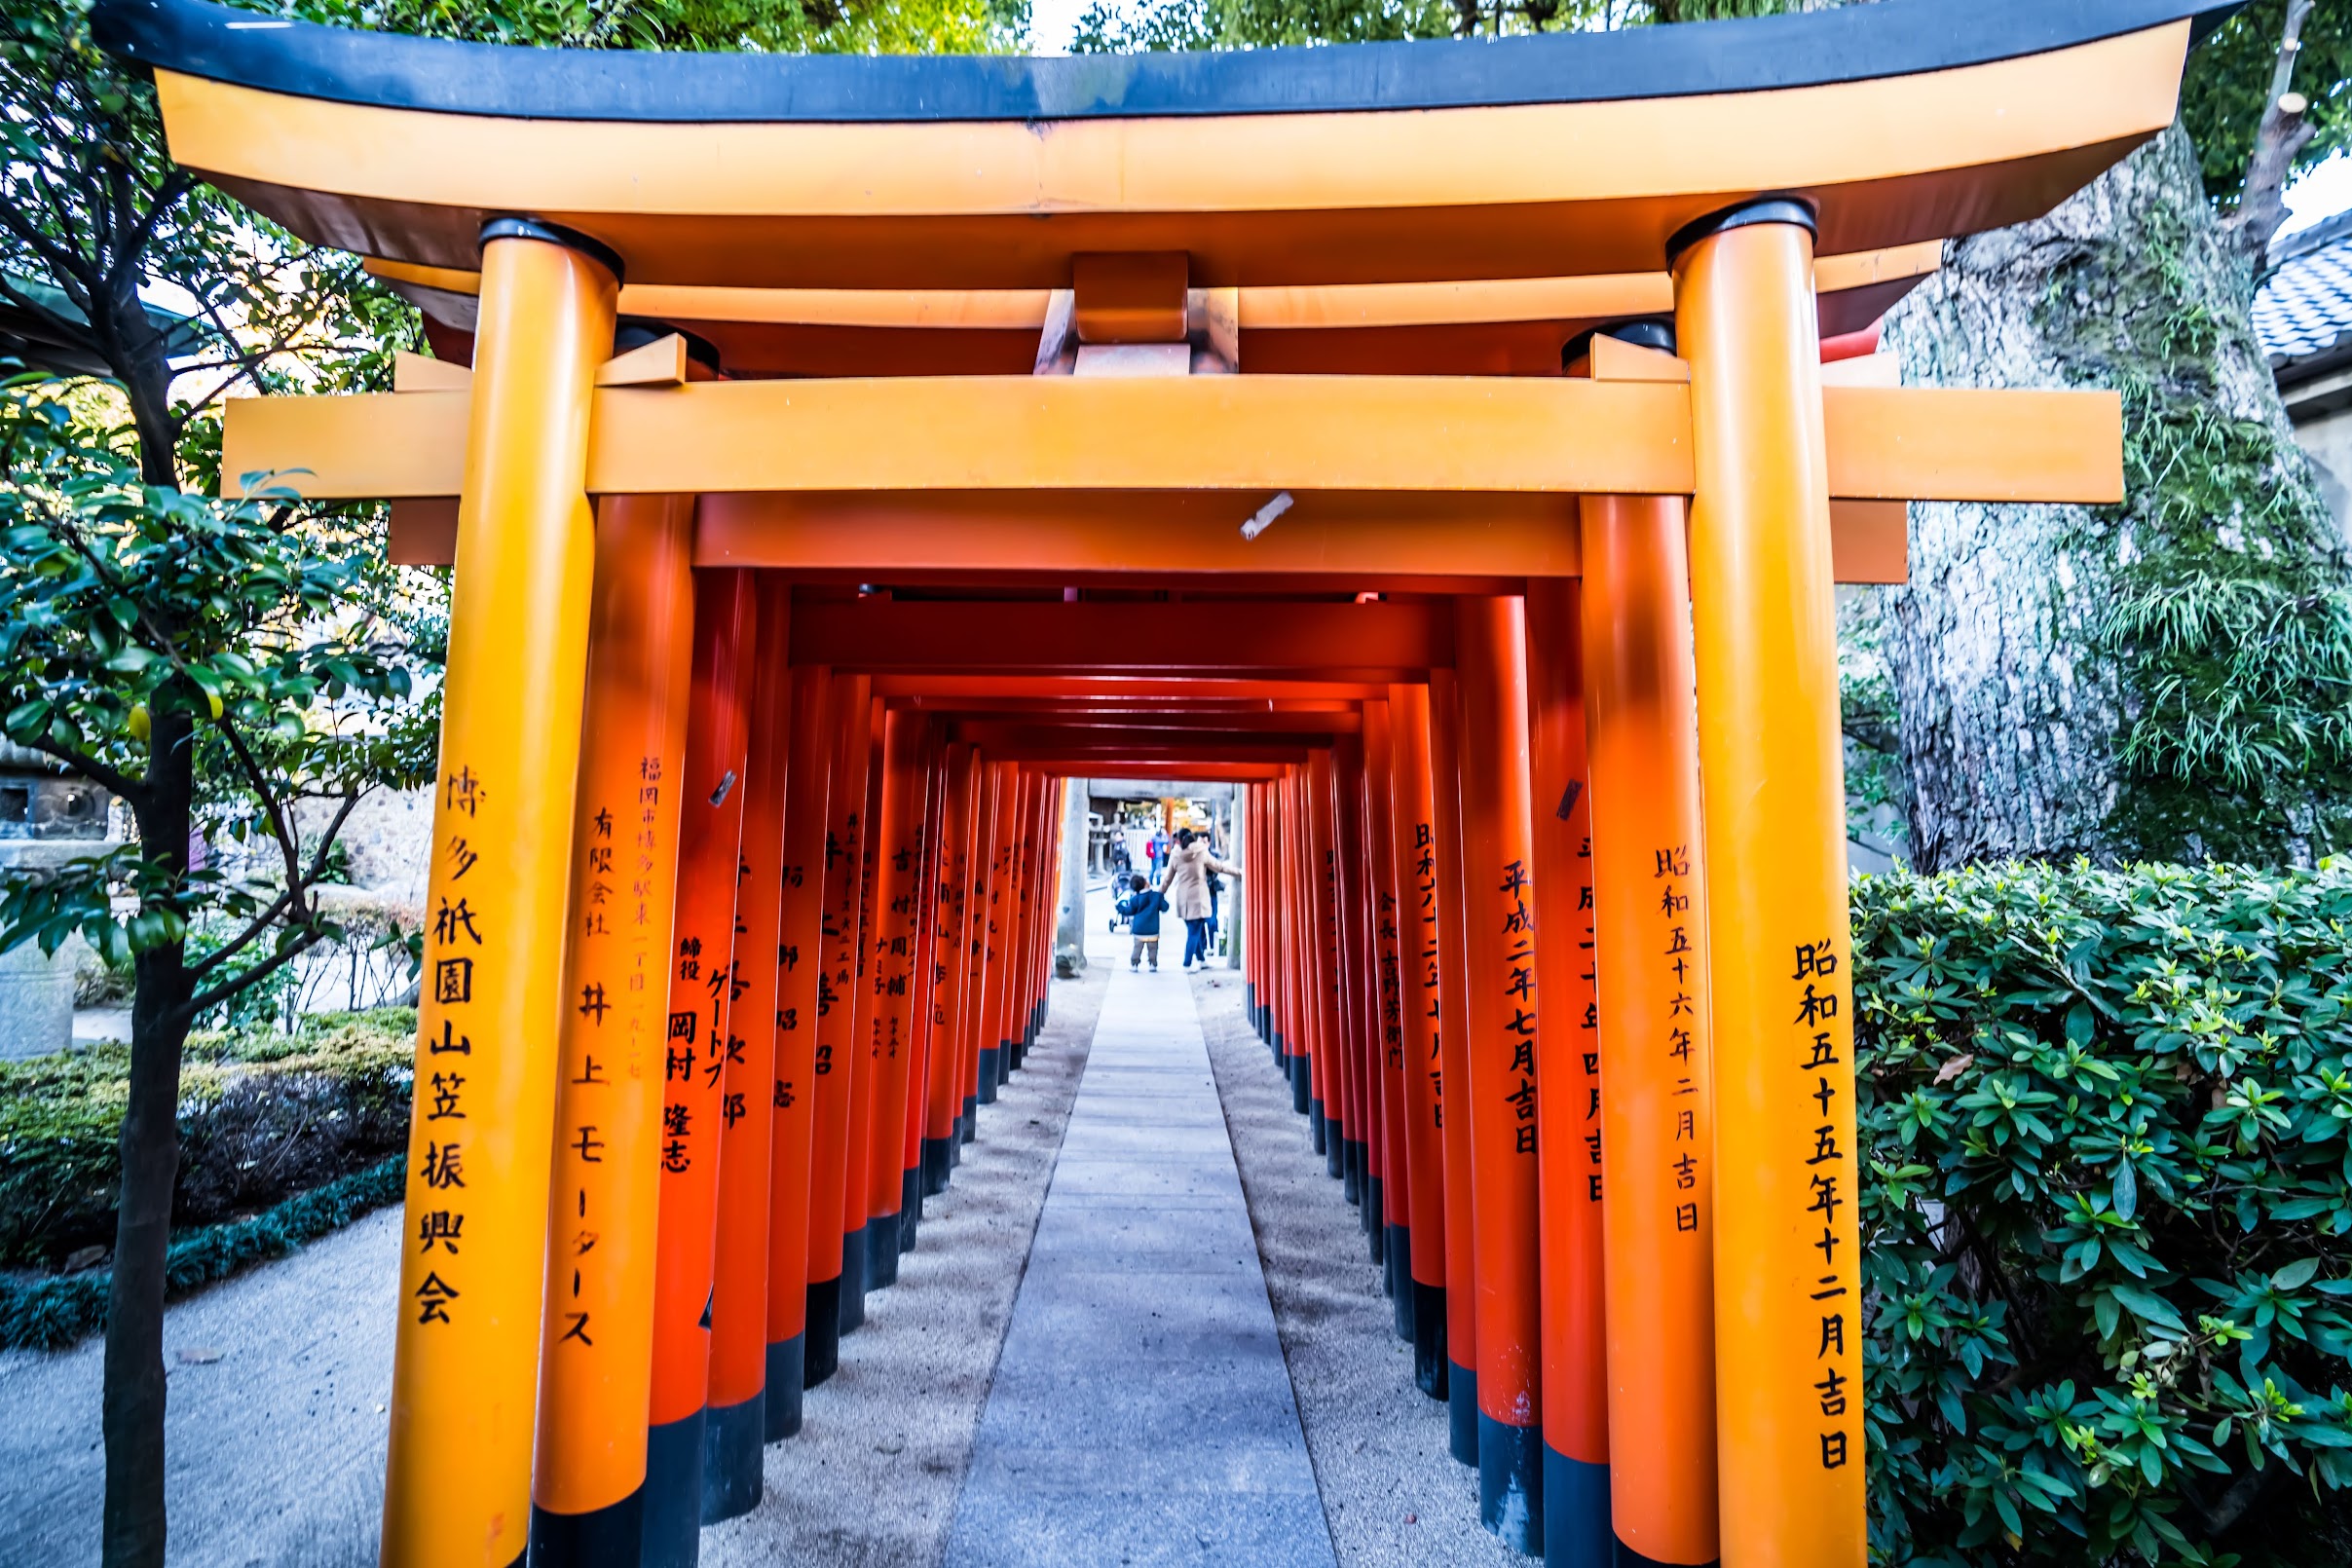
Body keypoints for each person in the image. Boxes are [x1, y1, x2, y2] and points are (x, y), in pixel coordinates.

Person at [1162, 827, 1242, 970]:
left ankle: (1201, 960)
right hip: (1198, 897)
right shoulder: (1201, 852)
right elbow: (1219, 867)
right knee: (1194, 931)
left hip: (1183, 898)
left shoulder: (1176, 855)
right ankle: (1187, 963)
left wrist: (1158, 894)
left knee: (1193, 929)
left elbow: (1167, 879)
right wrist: (1239, 872)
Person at [1116, 874, 1169, 971]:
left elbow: (1129, 911)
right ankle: (1152, 964)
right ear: (1146, 884)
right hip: (1153, 930)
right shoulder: (1156, 896)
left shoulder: (1135, 899)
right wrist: (1162, 898)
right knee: (1153, 949)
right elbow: (1165, 907)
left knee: (1137, 948)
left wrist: (1119, 906)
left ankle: (1134, 965)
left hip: (1139, 930)